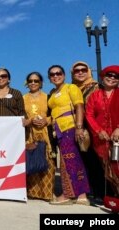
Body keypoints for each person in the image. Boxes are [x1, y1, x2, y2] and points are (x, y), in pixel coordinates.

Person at [47, 65, 90, 205]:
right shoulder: (53, 93)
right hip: (58, 129)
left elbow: (79, 106)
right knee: (74, 161)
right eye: (52, 74)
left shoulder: (71, 88)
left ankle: (67, 195)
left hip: (70, 127)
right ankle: (81, 195)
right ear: (49, 78)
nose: (55, 76)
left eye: (58, 73)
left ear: (64, 75)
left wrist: (78, 127)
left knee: (67, 162)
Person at [71, 61, 104, 205]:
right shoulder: (72, 88)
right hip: (78, 129)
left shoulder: (97, 86)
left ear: (89, 71)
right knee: (85, 161)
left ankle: (101, 193)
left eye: (83, 69)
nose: (80, 72)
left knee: (97, 161)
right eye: (76, 70)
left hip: (94, 128)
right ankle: (90, 190)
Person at [85, 65, 119, 197]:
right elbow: (89, 115)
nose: (111, 78)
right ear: (103, 77)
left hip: (117, 138)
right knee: (109, 172)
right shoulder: (95, 96)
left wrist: (118, 128)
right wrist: (98, 130)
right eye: (109, 75)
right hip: (102, 140)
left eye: (115, 76)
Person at [22, 72, 55, 201]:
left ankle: (46, 193)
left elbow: (55, 114)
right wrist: (29, 121)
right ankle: (31, 192)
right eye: (30, 81)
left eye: (36, 81)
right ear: (27, 83)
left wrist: (46, 120)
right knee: (31, 161)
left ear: (41, 82)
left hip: (45, 134)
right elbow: (20, 117)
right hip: (29, 134)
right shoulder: (22, 98)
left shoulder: (48, 97)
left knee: (47, 162)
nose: (33, 83)